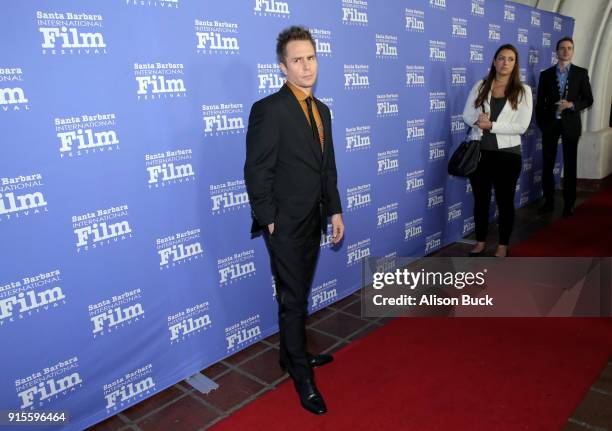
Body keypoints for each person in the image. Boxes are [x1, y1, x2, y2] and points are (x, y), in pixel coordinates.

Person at [243, 26, 344, 415]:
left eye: (311, 57)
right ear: (283, 67)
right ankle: (301, 373)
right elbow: (257, 170)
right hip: (284, 223)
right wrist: (269, 219)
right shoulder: (268, 109)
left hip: (315, 217)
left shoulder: (323, 110)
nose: (306, 66)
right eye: (297, 60)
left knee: (295, 294)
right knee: (294, 298)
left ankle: (291, 355)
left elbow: (327, 168)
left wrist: (334, 209)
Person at [462, 44, 533, 257]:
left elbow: (522, 126)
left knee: (504, 202)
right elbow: (466, 114)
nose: (505, 63)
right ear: (494, 61)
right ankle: (481, 242)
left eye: (510, 59)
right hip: (480, 154)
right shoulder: (481, 85)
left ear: (515, 64)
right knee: (480, 201)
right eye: (501, 58)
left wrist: (491, 125)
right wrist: (478, 120)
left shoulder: (523, 91)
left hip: (508, 156)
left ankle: (502, 245)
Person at [536, 36, 593, 216]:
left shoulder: (581, 73)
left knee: (570, 165)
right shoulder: (545, 75)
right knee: (547, 164)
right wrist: (543, 125)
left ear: (573, 51)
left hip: (571, 125)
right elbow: (540, 103)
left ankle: (569, 203)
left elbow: (588, 99)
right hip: (551, 125)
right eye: (562, 48)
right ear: (556, 51)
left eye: (569, 48)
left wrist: (572, 105)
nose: (566, 51)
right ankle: (549, 201)